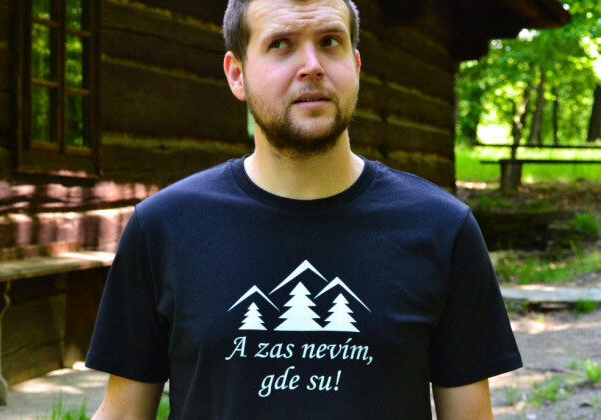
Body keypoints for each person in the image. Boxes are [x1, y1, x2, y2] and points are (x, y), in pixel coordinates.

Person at [86, 0, 522, 418]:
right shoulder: (163, 228)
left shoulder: (443, 228)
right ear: (237, 75)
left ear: (355, 66)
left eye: (330, 42)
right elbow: (123, 413)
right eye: (281, 44)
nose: (312, 65)